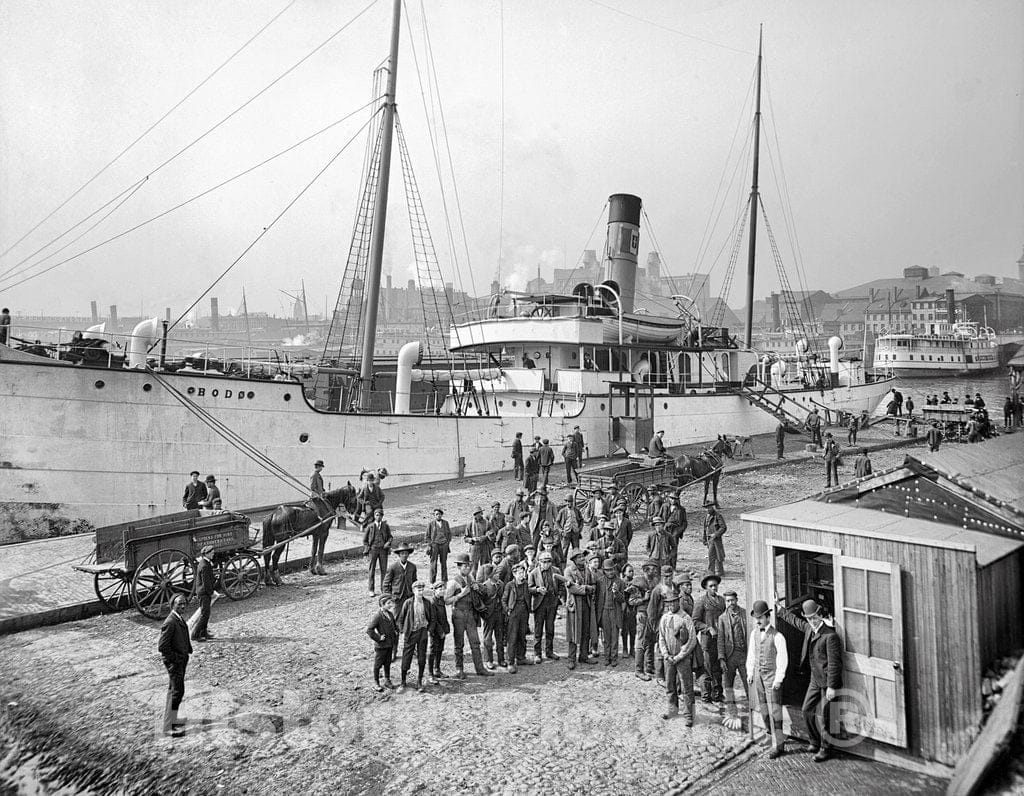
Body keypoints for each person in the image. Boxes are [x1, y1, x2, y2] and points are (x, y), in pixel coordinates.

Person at [776, 599, 842, 762]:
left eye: (814, 617)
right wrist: (779, 609)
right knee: (807, 710)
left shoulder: (830, 635)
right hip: (814, 678)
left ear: (820, 616)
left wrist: (832, 687)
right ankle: (814, 741)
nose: (812, 621)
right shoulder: (808, 628)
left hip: (828, 682)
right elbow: (795, 621)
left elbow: (834, 663)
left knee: (827, 716)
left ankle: (826, 749)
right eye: (809, 618)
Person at [747, 600, 788, 759]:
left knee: (775, 710)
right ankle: (770, 737)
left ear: (768, 617)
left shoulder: (778, 637)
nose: (758, 621)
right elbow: (751, 654)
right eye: (756, 618)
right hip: (758, 676)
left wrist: (779, 678)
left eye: (761, 618)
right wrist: (750, 672)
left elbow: (783, 659)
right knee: (764, 709)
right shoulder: (754, 633)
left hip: (772, 677)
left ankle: (779, 745)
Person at [445, 553, 494, 679]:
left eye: (469, 566)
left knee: (475, 642)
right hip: (459, 615)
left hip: (470, 614)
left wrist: (476, 587)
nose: (467, 568)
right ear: (459, 567)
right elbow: (446, 600)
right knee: (459, 643)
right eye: (465, 566)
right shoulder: (453, 582)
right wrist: (460, 595)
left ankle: (480, 668)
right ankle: (459, 669)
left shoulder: (470, 577)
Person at [658, 588, 697, 725]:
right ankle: (672, 709)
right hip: (668, 658)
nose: (671, 605)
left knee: (686, 686)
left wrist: (680, 656)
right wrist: (666, 654)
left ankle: (689, 715)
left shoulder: (686, 618)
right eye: (668, 603)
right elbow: (661, 638)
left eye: (674, 602)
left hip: (682, 658)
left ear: (678, 601)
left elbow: (692, 640)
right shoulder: (665, 618)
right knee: (670, 685)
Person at [158, 594, 193, 736]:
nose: (182, 606)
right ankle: (168, 727)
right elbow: (162, 647)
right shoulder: (170, 622)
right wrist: (176, 658)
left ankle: (172, 720)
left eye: (184, 604)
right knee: (177, 692)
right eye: (179, 604)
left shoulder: (177, 618)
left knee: (173, 691)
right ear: (173, 604)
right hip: (175, 663)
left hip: (179, 660)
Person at [717, 590, 748, 728]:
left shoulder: (745, 614)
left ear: (737, 599)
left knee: (749, 684)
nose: (731, 603)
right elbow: (720, 639)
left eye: (732, 600)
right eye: (728, 601)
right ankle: (732, 712)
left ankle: (754, 712)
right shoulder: (722, 618)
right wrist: (722, 658)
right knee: (728, 686)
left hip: (743, 656)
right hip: (729, 657)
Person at [693, 573, 725, 703]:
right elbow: (695, 621)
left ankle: (717, 694)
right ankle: (706, 696)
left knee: (718, 667)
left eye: (715, 586)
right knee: (707, 668)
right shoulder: (701, 601)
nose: (714, 588)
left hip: (720, 640)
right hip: (707, 641)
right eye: (711, 586)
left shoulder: (722, 601)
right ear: (706, 587)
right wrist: (707, 628)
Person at [397, 581, 433, 693]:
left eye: (422, 590)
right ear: (413, 591)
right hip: (411, 633)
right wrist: (403, 631)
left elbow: (432, 619)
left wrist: (429, 630)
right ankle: (403, 682)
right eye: (418, 590)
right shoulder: (408, 603)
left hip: (422, 633)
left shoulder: (427, 603)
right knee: (406, 657)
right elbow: (400, 619)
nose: (421, 592)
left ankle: (419, 681)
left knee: (422, 658)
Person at [529, 549, 563, 663]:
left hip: (552, 604)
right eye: (543, 561)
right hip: (540, 604)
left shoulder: (556, 571)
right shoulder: (533, 573)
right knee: (538, 631)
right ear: (539, 562)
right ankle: (537, 653)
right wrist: (537, 589)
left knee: (550, 629)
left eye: (548, 561)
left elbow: (562, 584)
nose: (546, 564)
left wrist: (558, 596)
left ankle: (549, 651)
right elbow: (528, 588)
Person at [478, 549, 507, 671]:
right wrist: (484, 612)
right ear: (489, 575)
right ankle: (488, 660)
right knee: (488, 639)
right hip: (489, 616)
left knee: (500, 638)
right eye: (494, 573)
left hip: (499, 614)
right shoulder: (485, 586)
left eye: (496, 573)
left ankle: (501, 659)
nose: (496, 575)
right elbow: (480, 602)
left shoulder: (501, 584)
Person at [595, 558, 625, 666]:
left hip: (615, 611)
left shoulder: (620, 582)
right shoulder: (600, 581)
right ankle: (606, 656)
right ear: (604, 571)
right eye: (607, 570)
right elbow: (597, 598)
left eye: (612, 569)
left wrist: (616, 593)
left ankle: (614, 657)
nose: (610, 572)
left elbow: (623, 599)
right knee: (606, 635)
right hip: (604, 611)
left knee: (614, 635)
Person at [633, 560, 659, 681]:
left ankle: (649, 666)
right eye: (651, 569)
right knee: (641, 641)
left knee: (651, 640)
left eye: (654, 569)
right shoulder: (638, 582)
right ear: (645, 570)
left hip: (653, 615)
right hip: (642, 614)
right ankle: (638, 670)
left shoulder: (656, 581)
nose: (653, 571)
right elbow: (631, 600)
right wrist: (644, 598)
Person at [366, 595, 398, 691]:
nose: (390, 605)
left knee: (387, 663)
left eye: (391, 603)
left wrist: (396, 631)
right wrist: (379, 638)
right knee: (378, 664)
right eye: (388, 603)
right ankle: (376, 682)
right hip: (381, 646)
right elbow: (369, 630)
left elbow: (394, 625)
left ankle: (387, 680)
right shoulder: (378, 616)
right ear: (382, 604)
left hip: (390, 644)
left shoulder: (390, 614)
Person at [503, 561, 531, 672]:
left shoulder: (525, 584)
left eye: (523, 572)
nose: (522, 575)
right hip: (513, 613)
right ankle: (510, 662)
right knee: (512, 638)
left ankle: (521, 658)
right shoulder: (510, 585)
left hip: (524, 612)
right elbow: (504, 600)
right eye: (519, 573)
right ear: (514, 574)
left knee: (522, 636)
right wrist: (508, 611)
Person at [382, 543, 417, 618]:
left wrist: (415, 593)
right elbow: (385, 584)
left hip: (409, 597)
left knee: (409, 617)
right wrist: (390, 597)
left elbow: (415, 582)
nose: (404, 555)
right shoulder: (393, 567)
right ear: (399, 555)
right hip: (397, 598)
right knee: (396, 617)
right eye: (402, 553)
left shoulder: (412, 567)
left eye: (406, 553)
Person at [363, 507, 393, 595]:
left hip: (383, 550)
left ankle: (384, 589)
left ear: (382, 516)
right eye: (377, 515)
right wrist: (367, 549)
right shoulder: (370, 527)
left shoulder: (385, 526)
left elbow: (390, 537)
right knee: (371, 570)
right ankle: (371, 589)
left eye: (380, 515)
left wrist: (388, 543)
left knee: (384, 570)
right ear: (374, 516)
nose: (378, 517)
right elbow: (365, 540)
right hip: (373, 550)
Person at [427, 581, 451, 684]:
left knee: (440, 650)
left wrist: (446, 628)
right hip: (435, 631)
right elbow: (433, 620)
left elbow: (443, 616)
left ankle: (437, 670)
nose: (442, 591)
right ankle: (430, 674)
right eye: (440, 589)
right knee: (433, 651)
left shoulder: (441, 600)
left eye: (443, 589)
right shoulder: (432, 602)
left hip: (442, 630)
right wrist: (440, 631)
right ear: (434, 590)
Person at [191, 545, 216, 641]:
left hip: (203, 592)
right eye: (212, 553)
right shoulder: (205, 566)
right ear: (207, 554)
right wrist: (211, 593)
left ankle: (204, 633)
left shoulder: (204, 563)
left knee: (206, 613)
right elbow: (206, 583)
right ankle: (195, 634)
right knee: (204, 614)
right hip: (204, 593)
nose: (213, 554)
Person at [425, 508, 451, 584]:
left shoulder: (446, 523)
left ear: (442, 515)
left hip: (444, 545)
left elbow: (449, 534)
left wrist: (447, 542)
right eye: (436, 514)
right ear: (434, 515)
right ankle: (432, 581)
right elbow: (427, 537)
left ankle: (444, 580)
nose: (438, 515)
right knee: (433, 564)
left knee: (444, 563)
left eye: (439, 514)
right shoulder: (431, 524)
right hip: (434, 545)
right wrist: (431, 544)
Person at [702, 504, 726, 577]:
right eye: (706, 508)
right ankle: (718, 571)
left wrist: (715, 534)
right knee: (715, 555)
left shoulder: (718, 516)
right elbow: (705, 529)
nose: (707, 509)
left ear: (712, 507)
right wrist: (704, 539)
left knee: (713, 555)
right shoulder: (707, 516)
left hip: (715, 539)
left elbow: (723, 527)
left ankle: (712, 571)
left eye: (709, 508)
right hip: (709, 539)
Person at [621, 563, 638, 658]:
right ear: (624, 573)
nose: (631, 573)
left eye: (632, 571)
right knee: (625, 630)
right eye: (629, 571)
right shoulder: (621, 582)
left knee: (633, 630)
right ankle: (624, 648)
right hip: (624, 609)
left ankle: (632, 648)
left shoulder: (636, 582)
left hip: (633, 609)